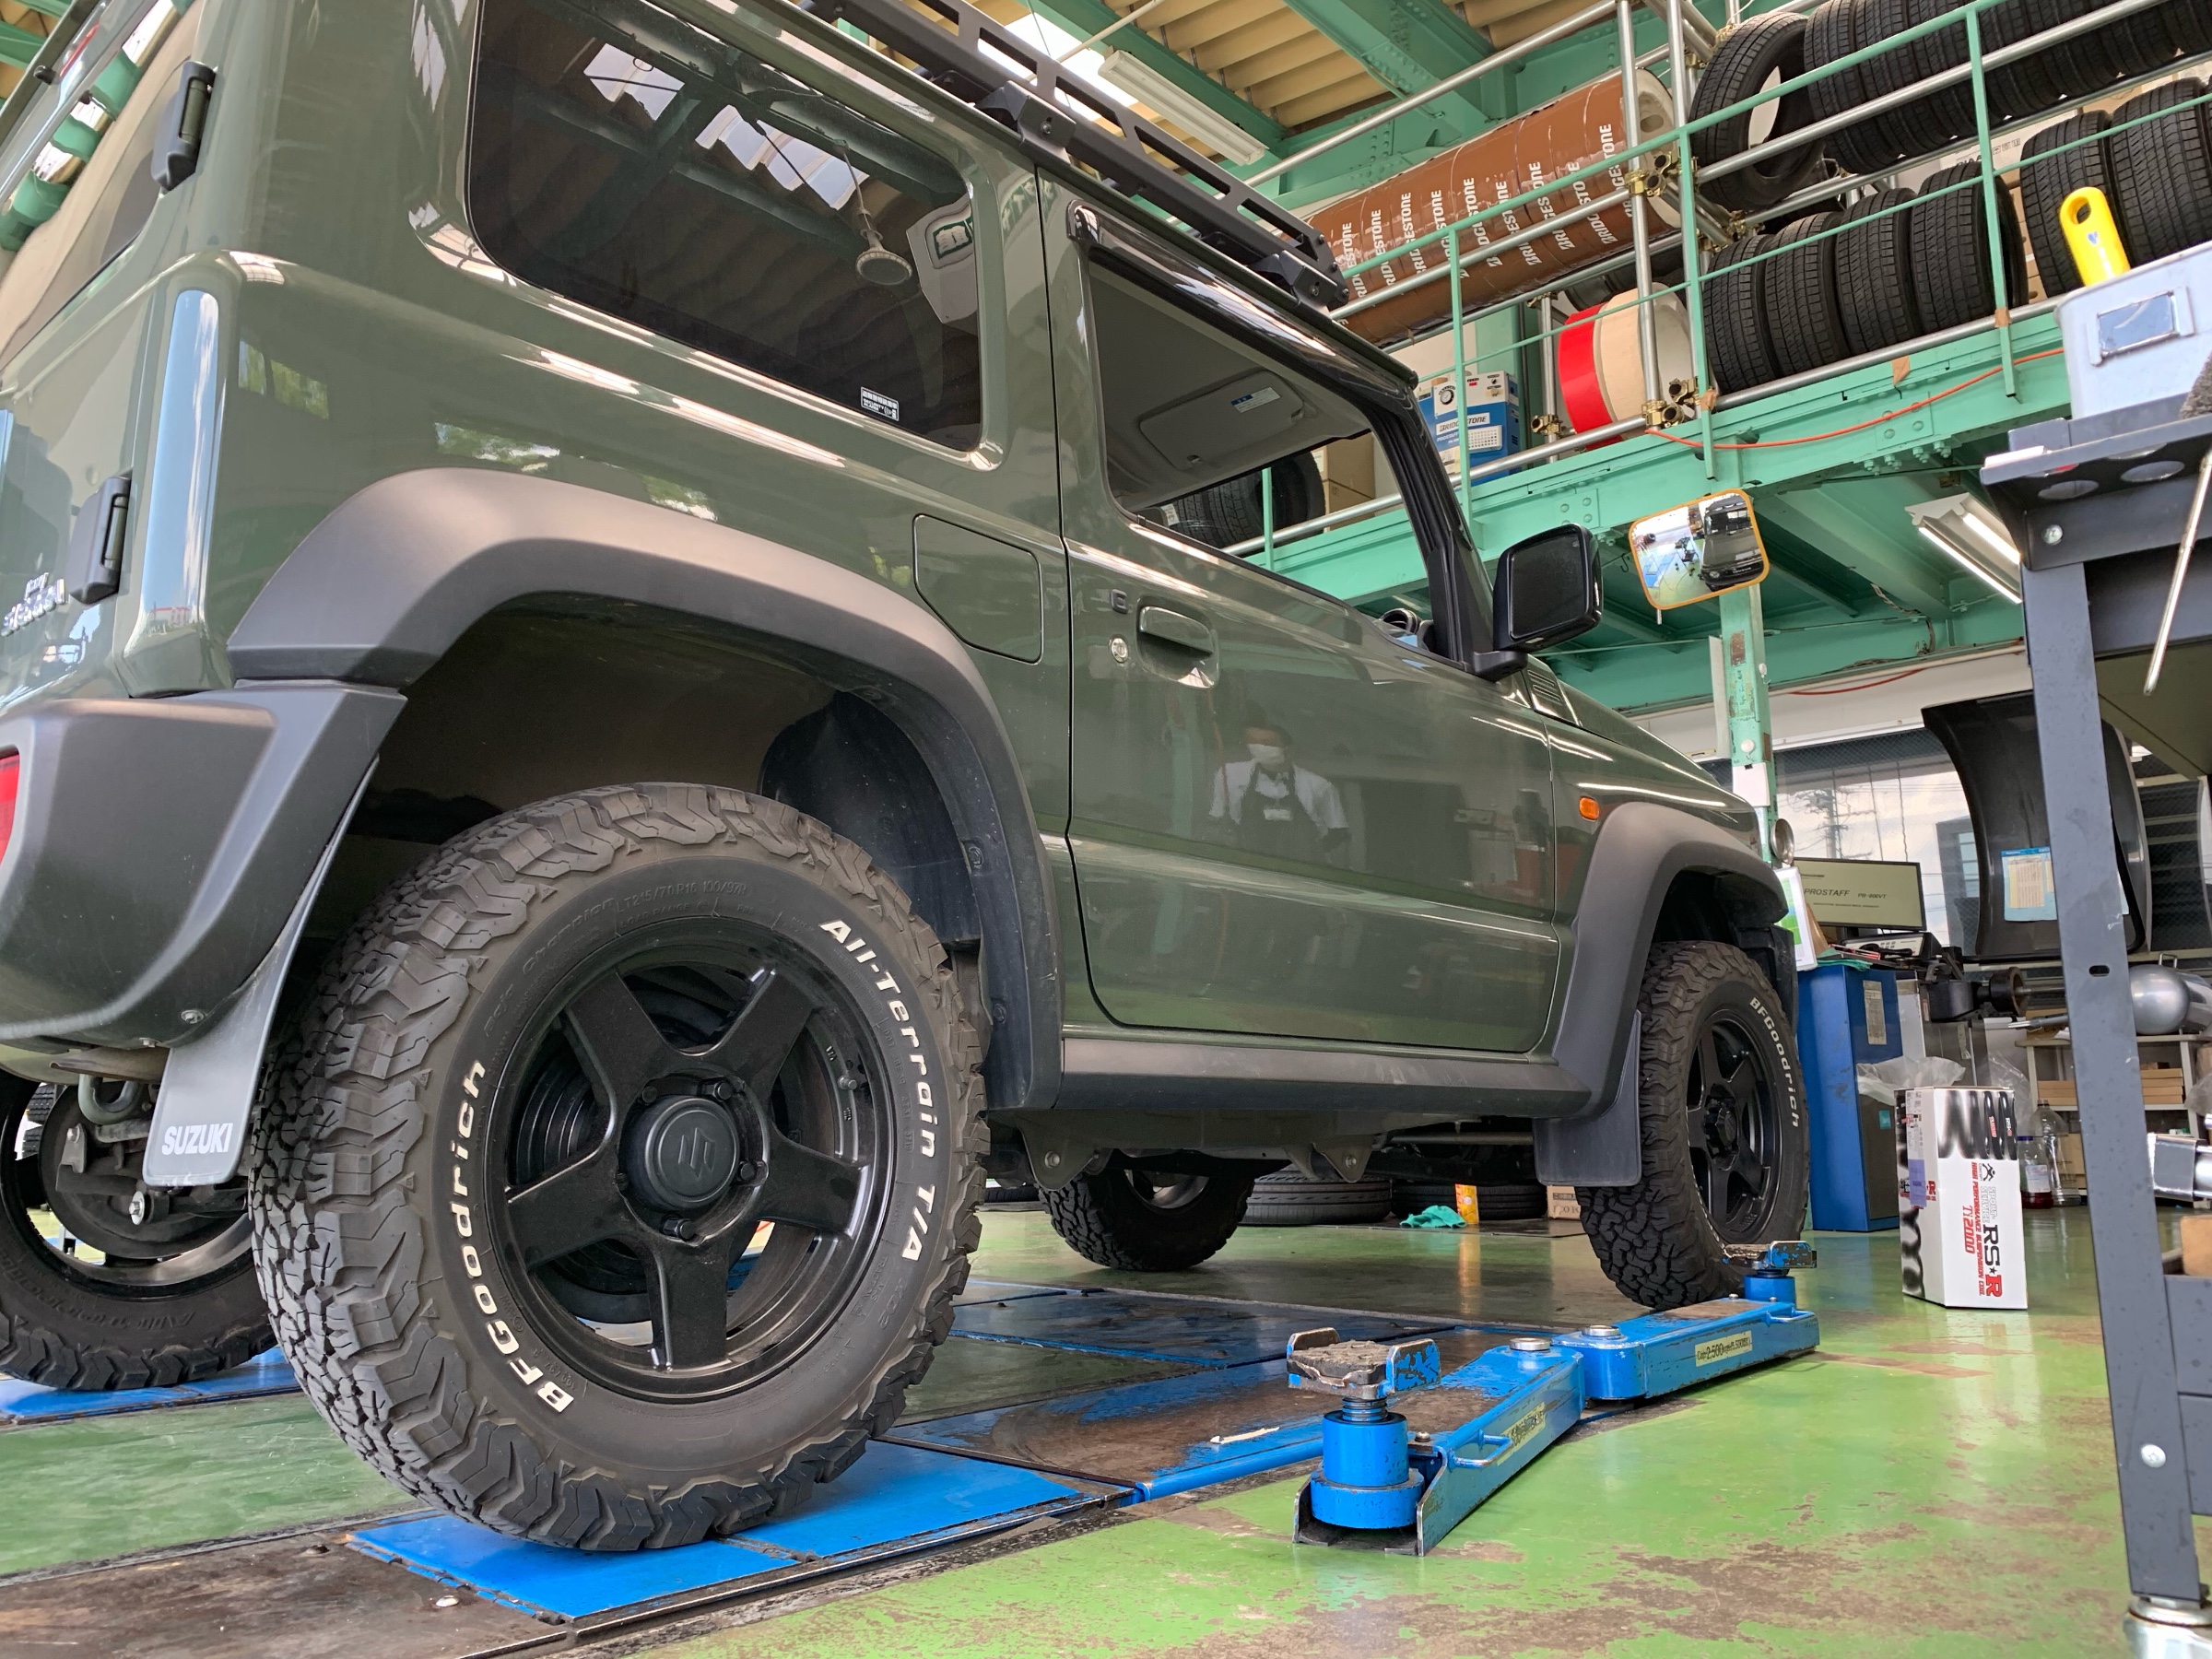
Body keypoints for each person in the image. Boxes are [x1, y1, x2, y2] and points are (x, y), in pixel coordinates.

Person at [1210, 718, 1349, 865]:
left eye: (1267, 743)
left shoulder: (1319, 786)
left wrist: (1310, 854)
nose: (1259, 748)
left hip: (1300, 869)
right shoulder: (1229, 776)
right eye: (1254, 743)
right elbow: (1217, 820)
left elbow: (1338, 833)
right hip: (1247, 866)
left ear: (1288, 750)